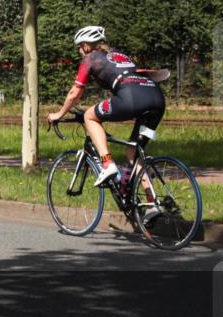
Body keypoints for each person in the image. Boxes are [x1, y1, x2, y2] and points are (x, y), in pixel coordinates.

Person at [47, 26, 166, 196]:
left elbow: (75, 92)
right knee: (133, 151)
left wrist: (59, 114)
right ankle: (153, 203)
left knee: (90, 116)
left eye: (79, 47)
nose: (80, 51)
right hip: (156, 99)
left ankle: (107, 164)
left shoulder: (90, 58)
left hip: (132, 98)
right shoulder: (120, 55)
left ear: (87, 45)